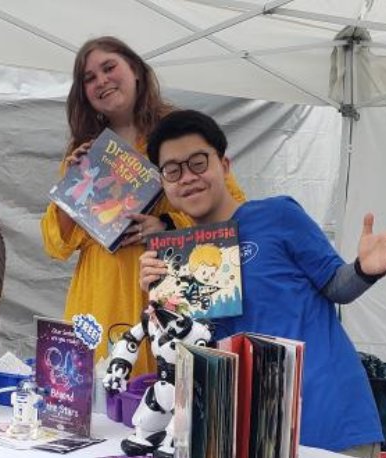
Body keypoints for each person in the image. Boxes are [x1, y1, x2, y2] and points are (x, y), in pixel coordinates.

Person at [140, 109, 386, 457]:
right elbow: (182, 353)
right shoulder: (177, 257)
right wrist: (158, 300)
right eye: (173, 170)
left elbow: (336, 286)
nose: (187, 177)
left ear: (224, 165)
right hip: (249, 434)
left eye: (198, 162)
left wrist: (364, 269)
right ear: (163, 182)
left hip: (327, 417)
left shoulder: (277, 215)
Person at [40, 37, 245, 372]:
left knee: (159, 395)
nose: (101, 81)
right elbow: (56, 245)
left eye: (109, 68)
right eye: (89, 78)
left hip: (165, 281)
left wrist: (165, 224)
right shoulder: (84, 151)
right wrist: (72, 186)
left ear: (134, 69)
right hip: (99, 291)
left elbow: (232, 208)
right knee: (102, 392)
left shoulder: (178, 133)